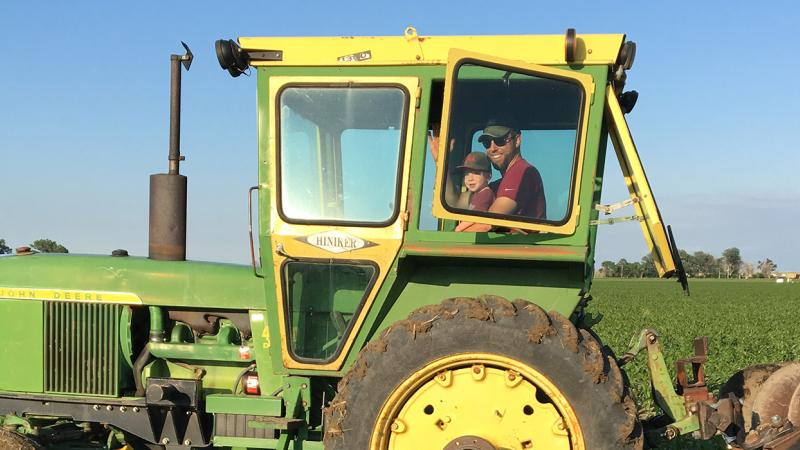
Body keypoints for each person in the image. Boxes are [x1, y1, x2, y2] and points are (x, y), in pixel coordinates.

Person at [453, 152, 495, 232]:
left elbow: (474, 217)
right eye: (466, 174)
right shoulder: (476, 194)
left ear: (488, 176)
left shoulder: (485, 194)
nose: (470, 179)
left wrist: (457, 230)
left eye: (476, 173)